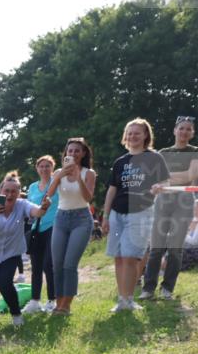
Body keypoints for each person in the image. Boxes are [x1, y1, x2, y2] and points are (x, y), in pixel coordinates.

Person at [101, 118, 170, 311]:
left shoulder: (154, 158)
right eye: (129, 133)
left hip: (140, 213)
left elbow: (166, 183)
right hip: (116, 214)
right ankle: (121, 300)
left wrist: (159, 187)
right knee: (118, 256)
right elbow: (112, 190)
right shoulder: (120, 162)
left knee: (130, 257)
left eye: (137, 133)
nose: (132, 136)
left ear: (145, 135)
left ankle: (128, 299)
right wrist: (105, 216)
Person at [0, 173, 51, 333]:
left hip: (11, 253)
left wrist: (43, 207)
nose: (9, 194)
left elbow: (36, 212)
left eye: (13, 191)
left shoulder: (22, 205)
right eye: (6, 190)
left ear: (18, 193)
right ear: (0, 191)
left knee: (5, 283)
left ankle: (16, 315)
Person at [141, 115, 197, 300]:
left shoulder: (195, 152)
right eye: (181, 128)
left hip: (184, 201)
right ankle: (148, 288)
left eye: (188, 129)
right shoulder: (162, 153)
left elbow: (191, 176)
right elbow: (155, 177)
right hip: (163, 201)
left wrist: (166, 178)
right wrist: (166, 179)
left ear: (192, 133)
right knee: (156, 247)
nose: (184, 132)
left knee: (175, 248)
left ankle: (168, 289)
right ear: (174, 130)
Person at [45, 137, 97, 315]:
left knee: (69, 264)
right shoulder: (59, 172)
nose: (73, 153)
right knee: (57, 264)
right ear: (66, 153)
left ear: (83, 153)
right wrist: (59, 176)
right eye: (70, 150)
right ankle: (58, 302)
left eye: (77, 150)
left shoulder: (89, 173)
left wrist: (78, 178)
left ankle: (66, 305)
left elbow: (88, 198)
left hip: (81, 219)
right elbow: (48, 195)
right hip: (61, 218)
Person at [22, 156, 58, 313]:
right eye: (41, 166)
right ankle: (35, 300)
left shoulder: (57, 183)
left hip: (53, 226)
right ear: (37, 168)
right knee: (35, 266)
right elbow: (30, 207)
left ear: (52, 167)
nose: (44, 169)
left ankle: (52, 300)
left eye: (47, 166)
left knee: (48, 264)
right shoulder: (32, 187)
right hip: (37, 228)